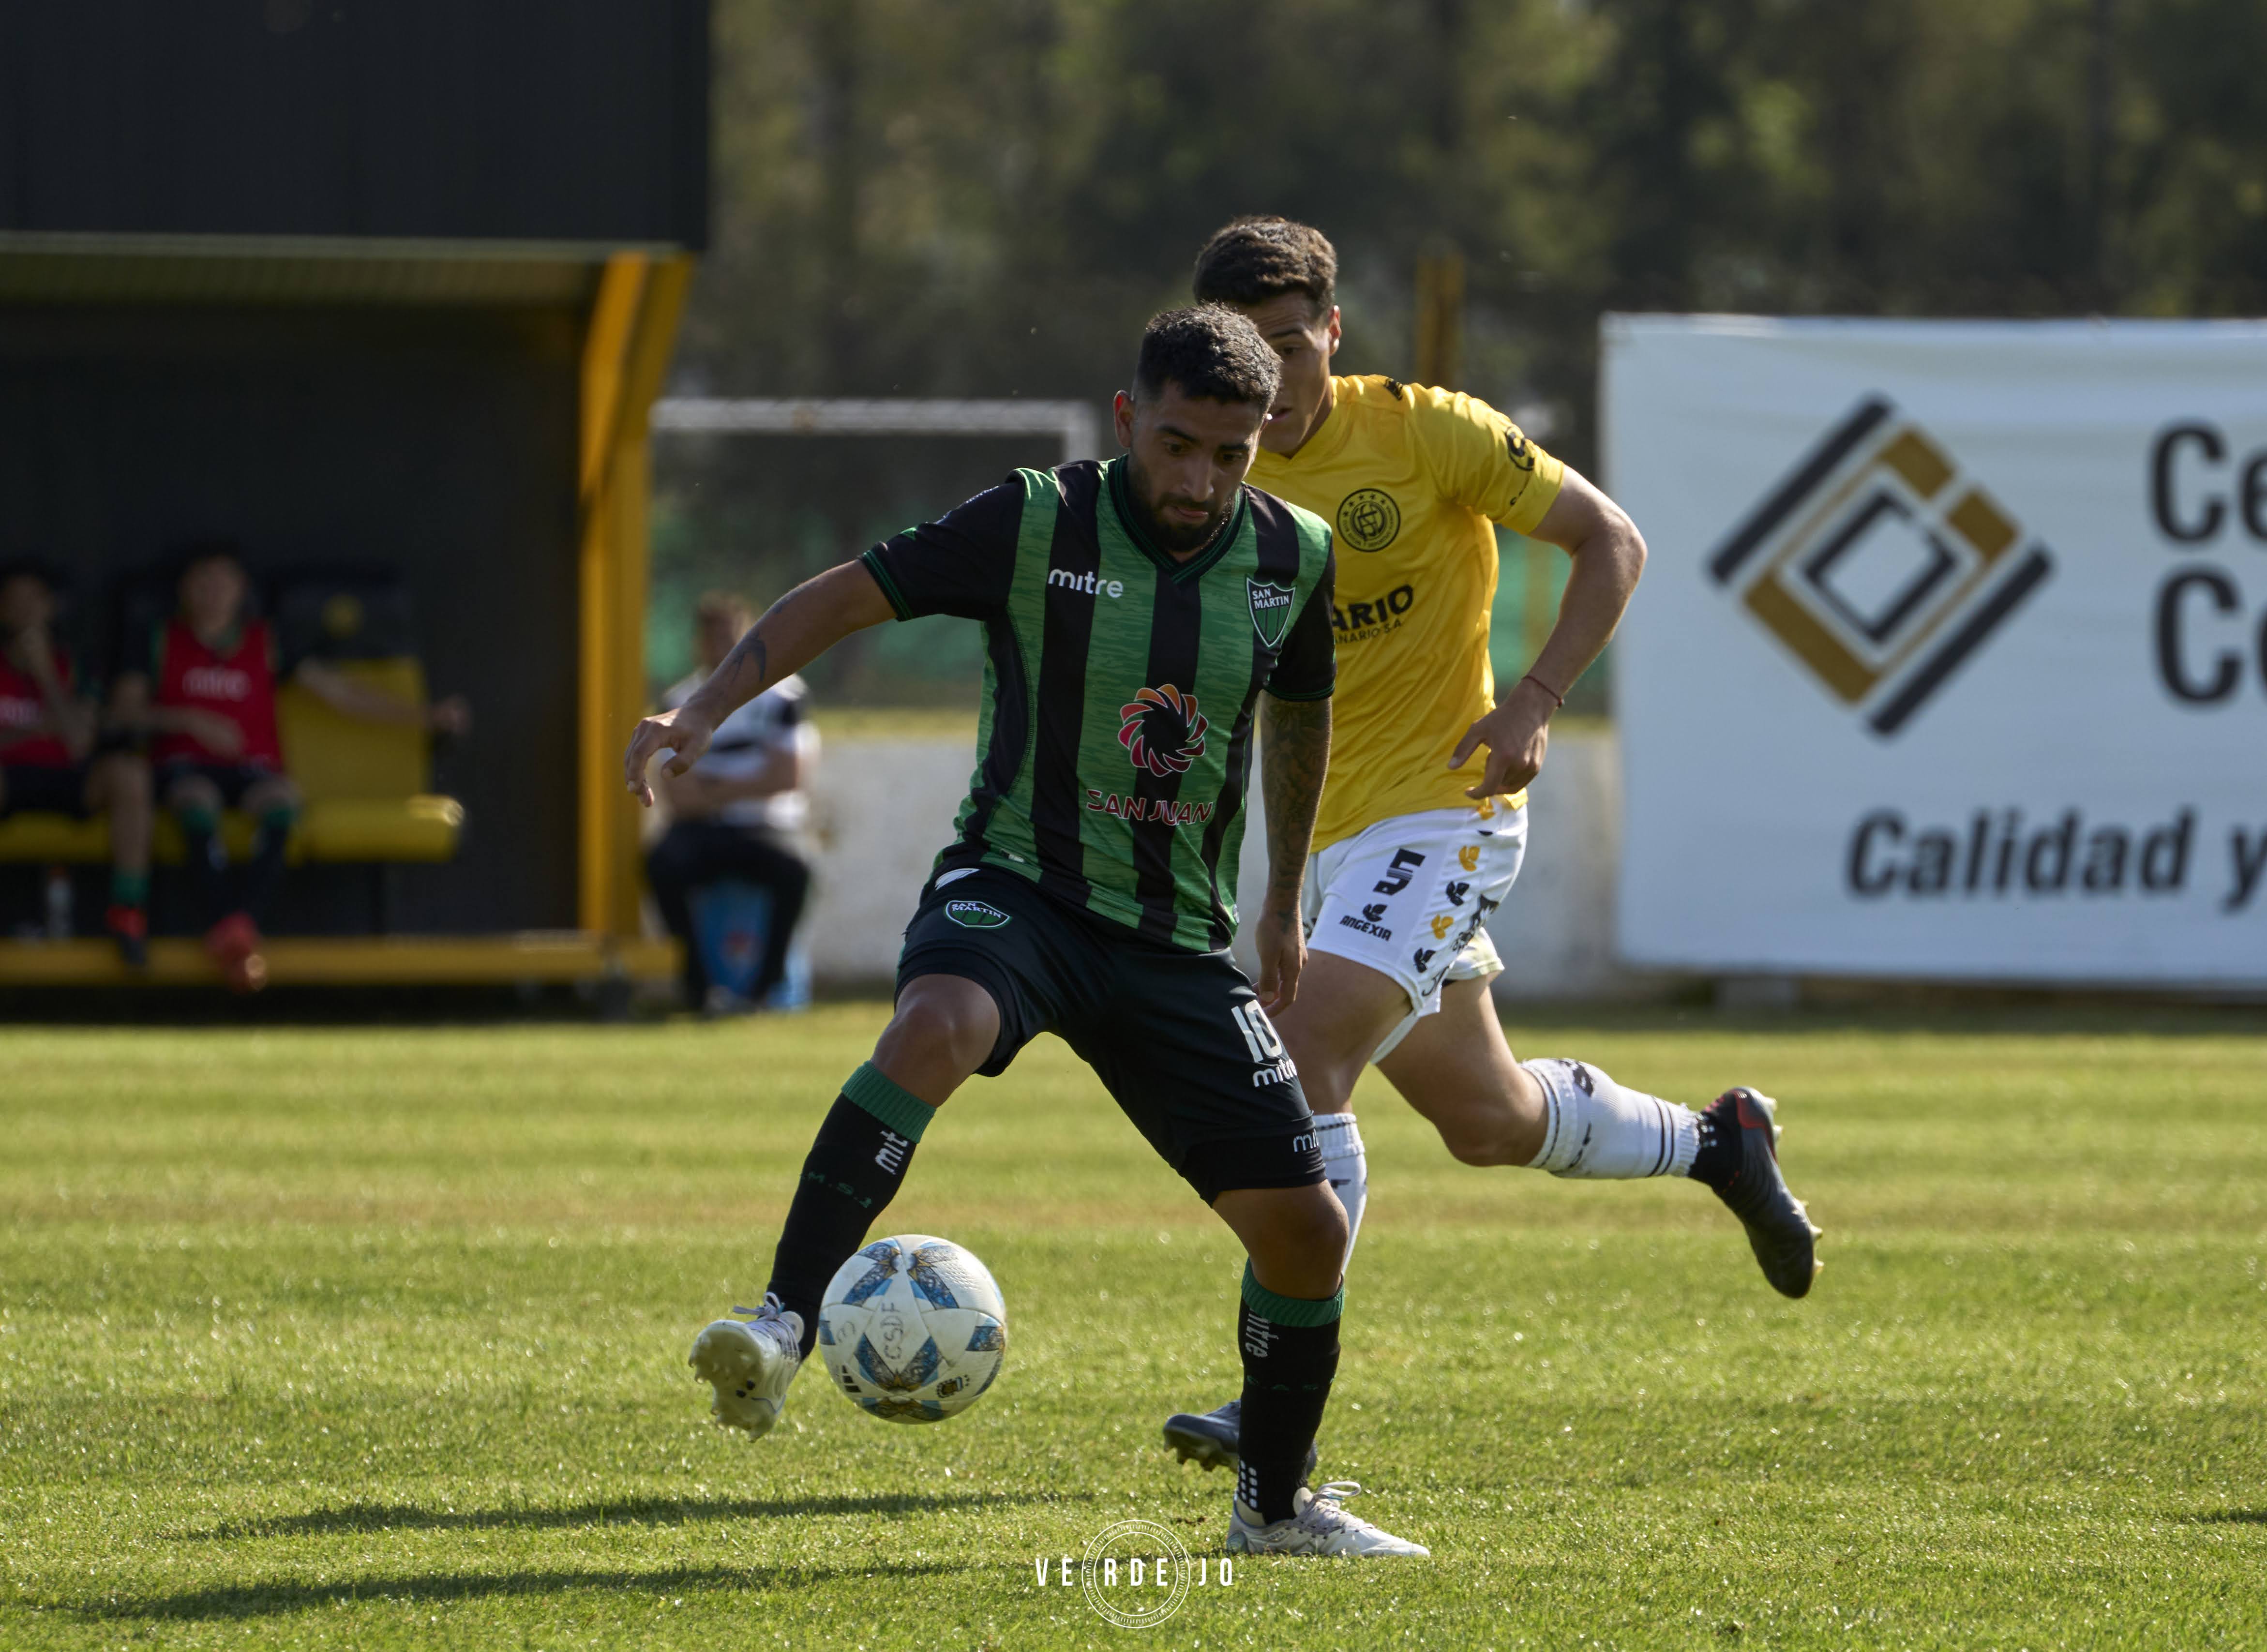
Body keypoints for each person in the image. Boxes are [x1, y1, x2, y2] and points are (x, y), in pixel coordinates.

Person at [625, 306, 1425, 1559]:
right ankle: (781, 1321)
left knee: (1308, 1230)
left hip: (1172, 937)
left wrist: (1280, 902)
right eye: (1175, 445)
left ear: (1262, 440)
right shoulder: (1035, 520)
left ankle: (1271, 1513)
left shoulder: (1296, 553)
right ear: (1126, 419)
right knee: (936, 1023)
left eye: (1228, 455)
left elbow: (1301, 712)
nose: (1197, 480)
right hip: (1019, 889)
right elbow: (848, 596)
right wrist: (704, 706)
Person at [1158, 218, 1821, 1473]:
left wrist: (1535, 698)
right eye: (1249, 349)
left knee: (1301, 1061)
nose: (1275, 376)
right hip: (1326, 843)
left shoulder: (1426, 433)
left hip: (1446, 809)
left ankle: (1274, 1395)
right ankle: (1718, 1142)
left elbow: (1611, 540)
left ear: (1333, 332)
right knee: (1488, 1116)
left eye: (1294, 344)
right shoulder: (1203, 480)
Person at [111, 543, 470, 991]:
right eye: (203, 581)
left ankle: (238, 923)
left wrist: (425, 716)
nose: (214, 592)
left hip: (253, 769)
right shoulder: (157, 640)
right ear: (183, 589)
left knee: (282, 800)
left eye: (224, 581)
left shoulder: (267, 642)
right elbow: (122, 713)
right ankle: (232, 926)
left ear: (241, 589)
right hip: (186, 768)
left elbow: (341, 695)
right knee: (196, 798)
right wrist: (189, 719)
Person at [646, 591, 816, 1014]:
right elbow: (677, 794)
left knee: (795, 871)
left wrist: (712, 786)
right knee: (661, 864)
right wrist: (749, 781)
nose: (721, 647)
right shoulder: (677, 702)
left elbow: (787, 778)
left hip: (764, 828)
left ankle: (765, 988)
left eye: (731, 636)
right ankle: (698, 988)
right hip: (701, 830)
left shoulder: (784, 697)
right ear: (698, 643)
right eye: (712, 637)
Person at [0, 562, 153, 964]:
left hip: (69, 778)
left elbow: (78, 744)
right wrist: (34, 730)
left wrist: (45, 673)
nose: (24, 610)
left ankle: (128, 910)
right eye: (13, 600)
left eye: (33, 600)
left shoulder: (78, 662)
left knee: (129, 773)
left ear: (51, 607)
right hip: (8, 778)